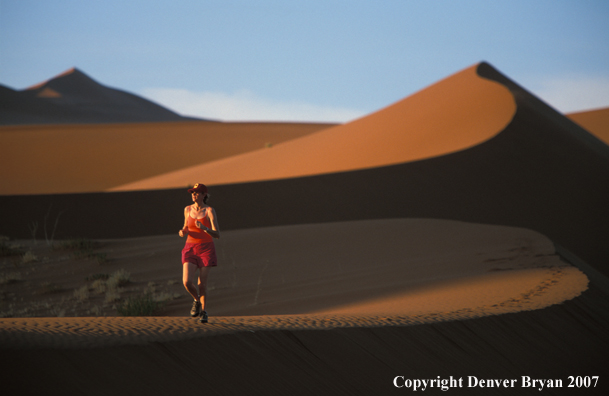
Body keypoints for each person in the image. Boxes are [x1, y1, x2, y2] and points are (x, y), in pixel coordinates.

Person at [178, 183, 220, 323]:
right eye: (192, 193)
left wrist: (204, 228)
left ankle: (204, 311)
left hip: (206, 249)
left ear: (204, 195)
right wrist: (183, 231)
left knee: (202, 284)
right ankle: (196, 300)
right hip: (190, 247)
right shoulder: (187, 209)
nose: (194, 195)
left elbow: (217, 234)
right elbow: (185, 226)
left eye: (197, 193)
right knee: (187, 282)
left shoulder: (209, 211)